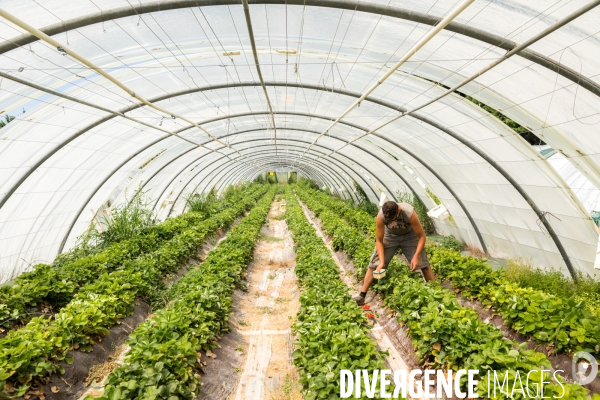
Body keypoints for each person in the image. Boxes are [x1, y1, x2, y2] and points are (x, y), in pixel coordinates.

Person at [354, 200, 435, 306]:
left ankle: (436, 294)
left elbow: (422, 237)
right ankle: (362, 295)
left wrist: (416, 256)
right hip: (390, 236)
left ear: (398, 210)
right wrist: (382, 262)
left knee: (423, 264)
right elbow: (379, 240)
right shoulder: (381, 216)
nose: (392, 221)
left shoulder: (409, 213)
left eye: (394, 218)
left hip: (410, 235)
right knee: (375, 264)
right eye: (389, 219)